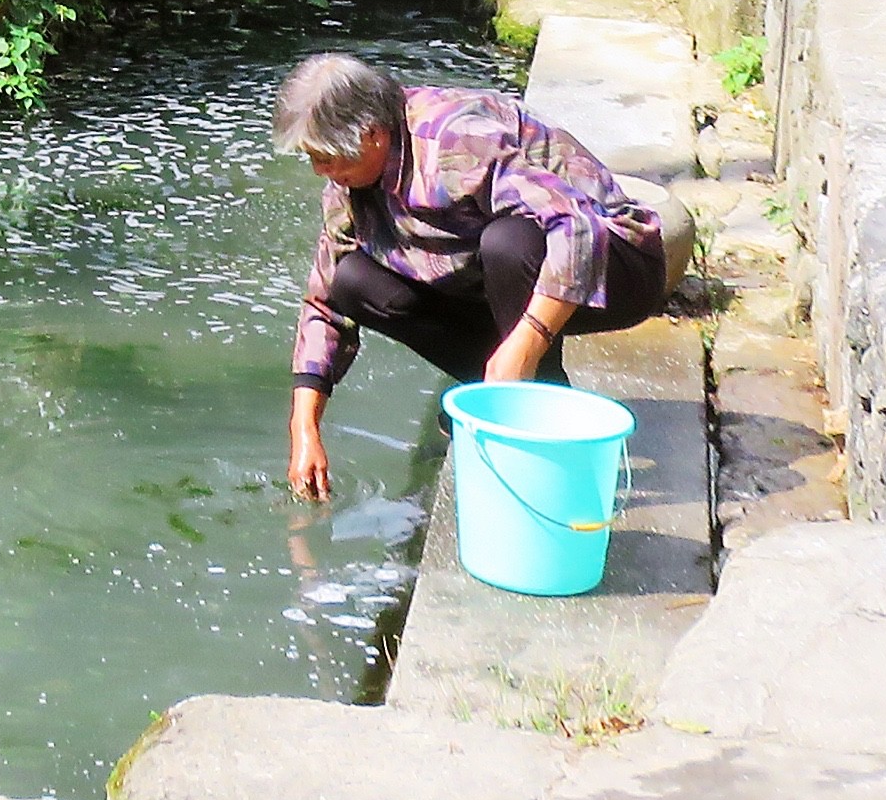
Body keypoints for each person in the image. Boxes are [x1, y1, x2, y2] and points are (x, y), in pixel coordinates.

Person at [274, 51, 667, 503]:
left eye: (326, 158)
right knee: (354, 281)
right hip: (501, 280)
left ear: (372, 135)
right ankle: (508, 393)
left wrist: (526, 343)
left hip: (614, 264)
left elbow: (575, 227)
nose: (321, 172)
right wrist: (304, 428)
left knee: (508, 242)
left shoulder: (456, 141)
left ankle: (537, 404)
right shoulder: (348, 186)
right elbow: (324, 300)